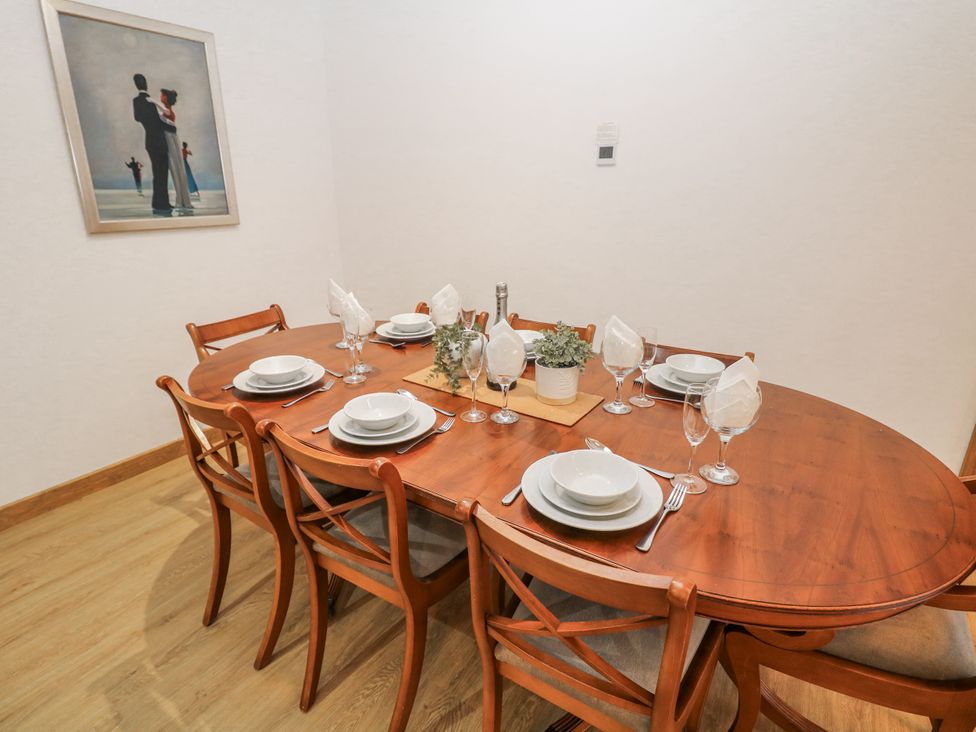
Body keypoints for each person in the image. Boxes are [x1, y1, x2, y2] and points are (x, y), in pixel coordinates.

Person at [131, 73, 173, 215]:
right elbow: (159, 121)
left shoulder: (136, 101)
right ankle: (163, 204)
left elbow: (137, 118)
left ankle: (158, 203)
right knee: (162, 173)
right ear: (146, 84)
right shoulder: (150, 101)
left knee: (157, 172)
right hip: (159, 141)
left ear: (136, 85)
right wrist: (170, 126)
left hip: (149, 141)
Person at [154, 89, 194, 212]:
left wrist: (152, 101)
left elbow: (162, 109)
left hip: (170, 139)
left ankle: (182, 201)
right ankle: (183, 200)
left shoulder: (168, 111)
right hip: (172, 138)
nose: (160, 96)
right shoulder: (168, 111)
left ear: (165, 98)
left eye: (162, 95)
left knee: (176, 169)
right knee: (178, 169)